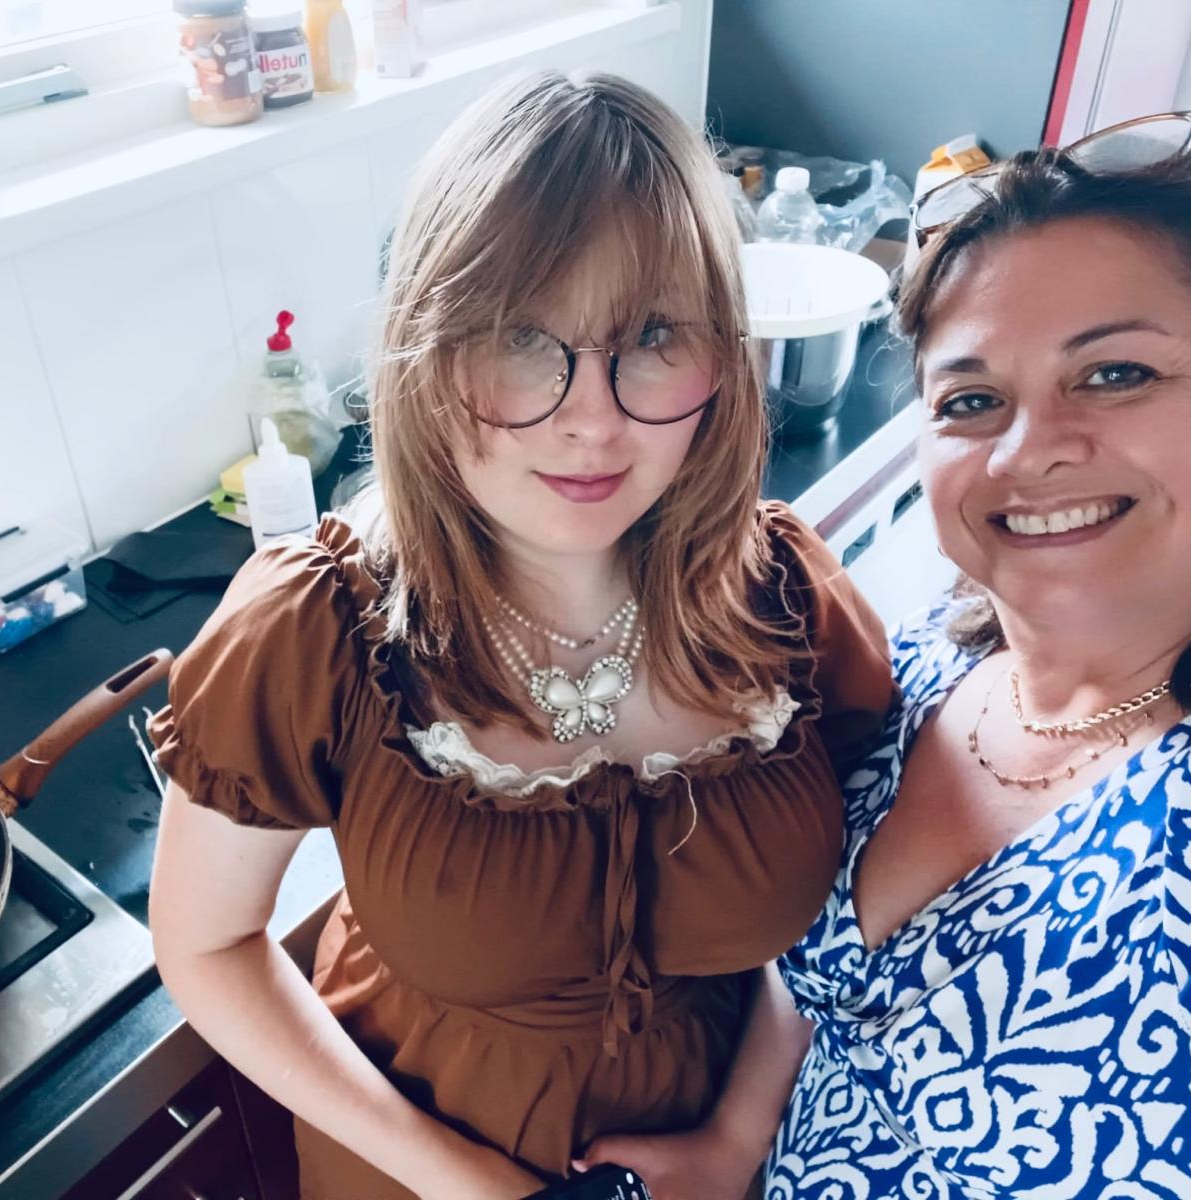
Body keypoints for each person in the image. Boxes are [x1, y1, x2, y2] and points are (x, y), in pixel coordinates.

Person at [144, 70, 893, 1199]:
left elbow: (844, 922)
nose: (590, 418)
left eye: (652, 337)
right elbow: (206, 948)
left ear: (722, 359)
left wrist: (736, 1137)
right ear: (426, 351)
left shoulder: (788, 602)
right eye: (519, 339)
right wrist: (465, 1183)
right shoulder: (315, 630)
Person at [584, 117, 1191, 1199]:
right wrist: (737, 1139)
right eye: (971, 400)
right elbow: (827, 982)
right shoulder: (911, 678)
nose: (1029, 449)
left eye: (1116, 372)